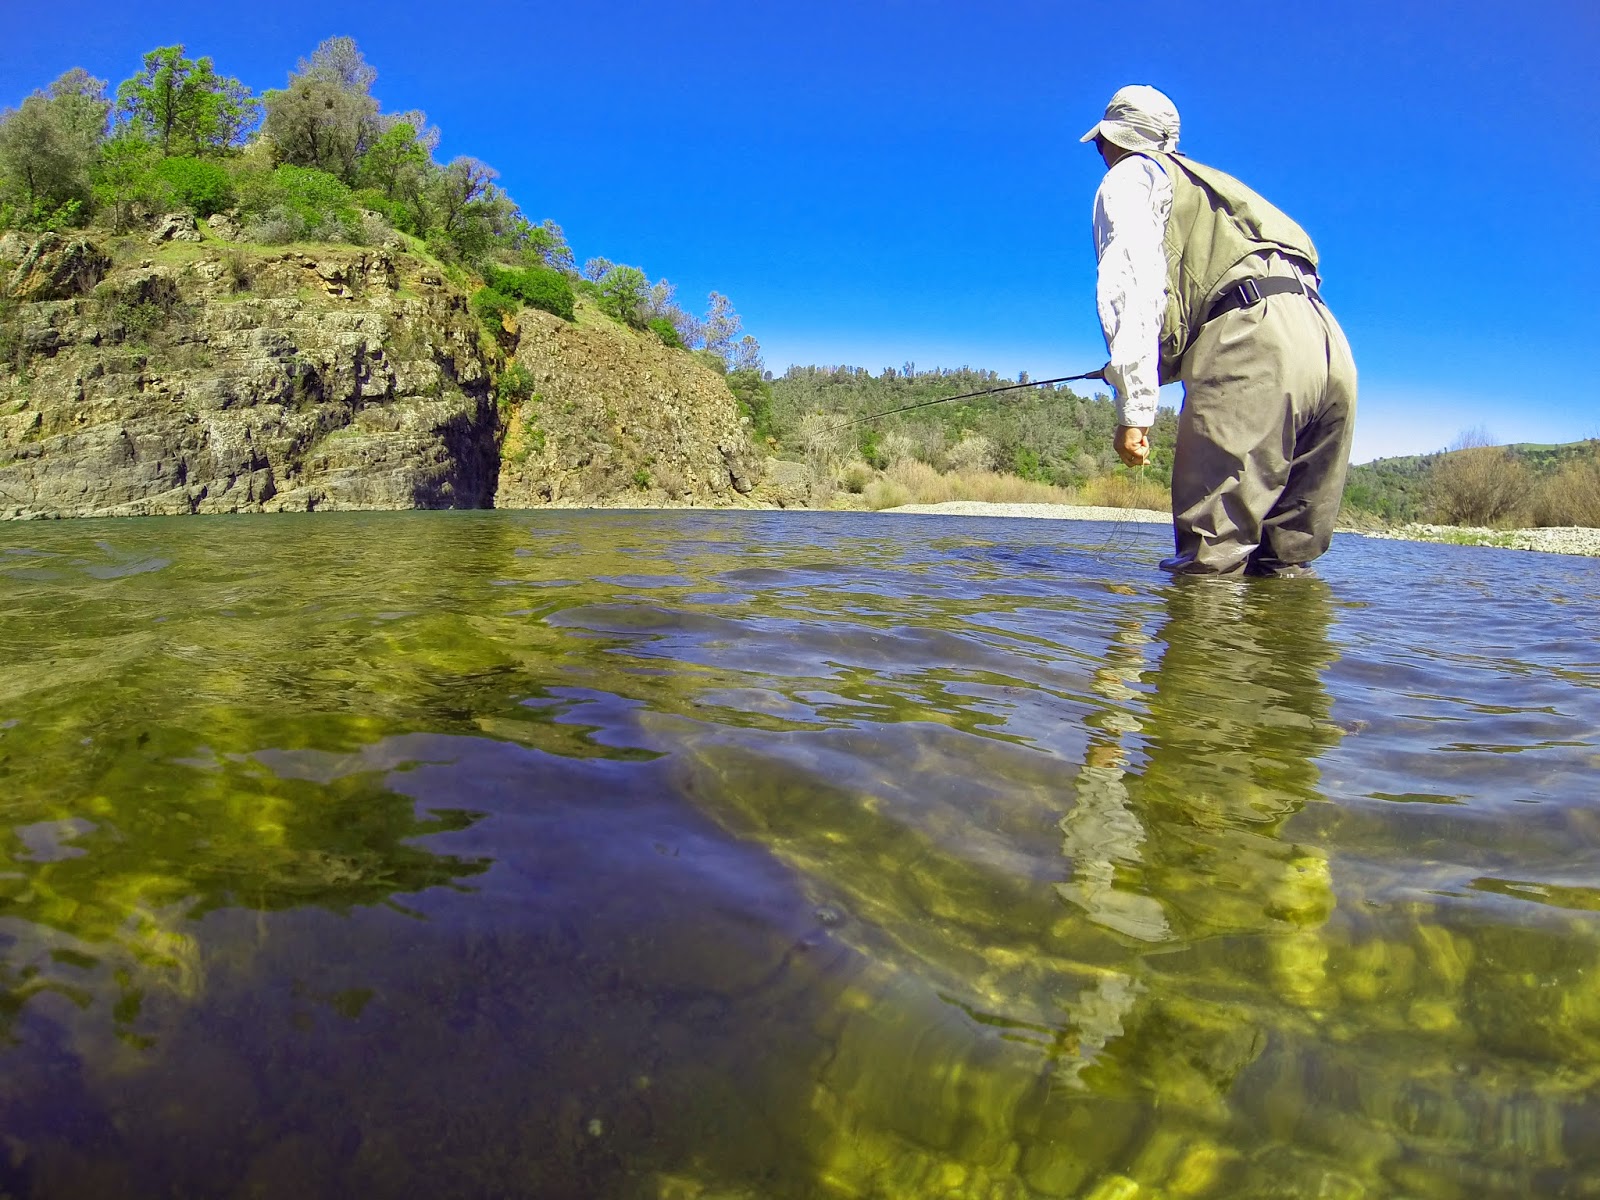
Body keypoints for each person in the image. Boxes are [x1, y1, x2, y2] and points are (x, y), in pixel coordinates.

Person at [1082, 86, 1357, 577]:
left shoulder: (1131, 176)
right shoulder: (1227, 192)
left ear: (1115, 138)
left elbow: (1132, 285)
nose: (1100, 152)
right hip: (1329, 346)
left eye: (1102, 141)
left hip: (1250, 343)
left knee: (1213, 559)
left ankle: (1201, 653)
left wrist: (1136, 408)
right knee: (1286, 563)